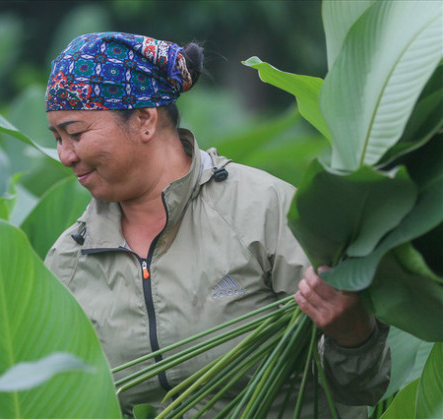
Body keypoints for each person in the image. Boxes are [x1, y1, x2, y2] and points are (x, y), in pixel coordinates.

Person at [44, 32, 390, 417]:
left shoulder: (264, 211)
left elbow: (364, 387)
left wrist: (353, 336)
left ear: (143, 119)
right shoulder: (69, 259)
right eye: (56, 137)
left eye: (75, 134)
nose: (64, 155)